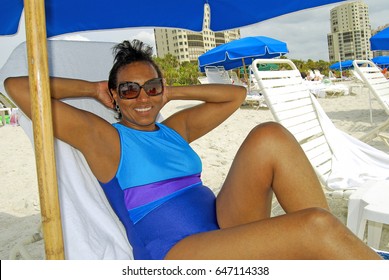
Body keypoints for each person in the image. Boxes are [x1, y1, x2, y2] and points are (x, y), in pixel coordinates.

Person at [4, 39, 381, 260]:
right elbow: (18, 87)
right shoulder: (105, 139)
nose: (142, 98)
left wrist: (172, 93)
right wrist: (92, 89)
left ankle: (323, 257)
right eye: (129, 90)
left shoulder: (173, 131)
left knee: (269, 134)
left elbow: (234, 96)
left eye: (150, 87)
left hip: (223, 225)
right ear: (115, 97)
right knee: (316, 225)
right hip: (177, 252)